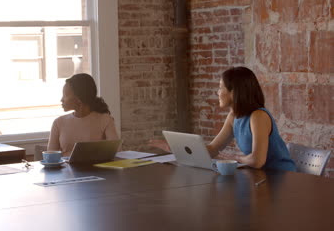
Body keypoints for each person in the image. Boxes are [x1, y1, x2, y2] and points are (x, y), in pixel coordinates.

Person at [151, 67, 296, 171]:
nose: (218, 92)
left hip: (281, 178)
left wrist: (235, 157)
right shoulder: (234, 116)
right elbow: (213, 149)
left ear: (234, 92)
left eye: (221, 88)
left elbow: (257, 161)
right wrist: (176, 148)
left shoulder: (258, 116)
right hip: (261, 177)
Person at [47, 73, 119, 157]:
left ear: (79, 98)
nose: (61, 99)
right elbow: (50, 157)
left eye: (65, 95)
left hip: (97, 169)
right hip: (65, 170)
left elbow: (117, 152)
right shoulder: (58, 123)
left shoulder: (105, 120)